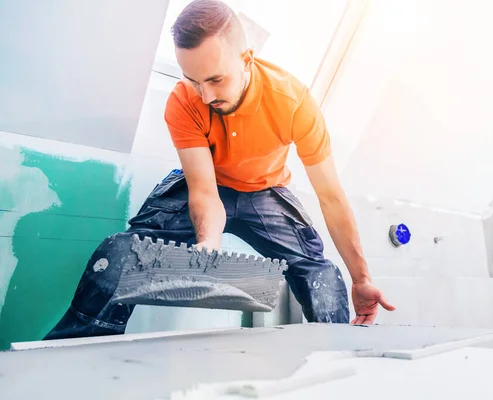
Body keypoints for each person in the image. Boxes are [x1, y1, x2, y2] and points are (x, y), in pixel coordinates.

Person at [44, 0, 394, 340]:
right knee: (121, 253)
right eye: (194, 81)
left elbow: (330, 197)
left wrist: (361, 278)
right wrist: (207, 247)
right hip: (210, 181)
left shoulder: (293, 103)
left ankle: (335, 358)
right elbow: (204, 190)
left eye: (215, 80)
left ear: (246, 60)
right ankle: (67, 355)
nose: (205, 95)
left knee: (320, 275)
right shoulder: (183, 101)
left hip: (265, 190)